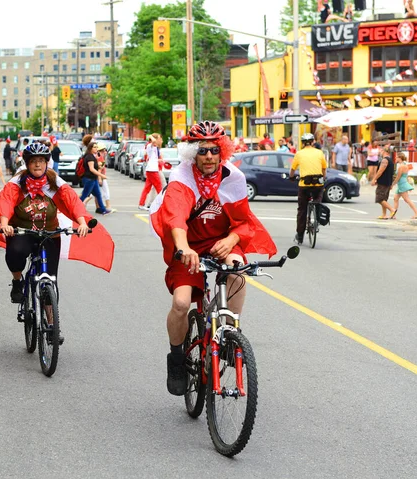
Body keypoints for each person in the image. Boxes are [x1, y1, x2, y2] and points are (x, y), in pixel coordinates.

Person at [149, 120, 277, 395]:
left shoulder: (234, 178)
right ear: (192, 154)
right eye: (202, 150)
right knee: (182, 304)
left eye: (214, 150)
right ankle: (176, 358)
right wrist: (183, 248)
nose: (208, 156)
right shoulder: (181, 178)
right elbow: (175, 219)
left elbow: (243, 223)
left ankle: (230, 332)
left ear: (223, 151)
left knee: (238, 270)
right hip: (188, 247)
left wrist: (231, 240)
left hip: (222, 242)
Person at [0, 142, 115, 342]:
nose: (37, 165)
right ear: (27, 164)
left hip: (49, 232)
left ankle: (52, 325)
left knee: (50, 280)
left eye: (41, 161)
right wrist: (5, 224)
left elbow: (72, 201)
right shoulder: (17, 183)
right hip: (22, 230)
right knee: (15, 253)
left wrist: (81, 223)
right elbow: (5, 202)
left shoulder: (55, 182)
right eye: (33, 161)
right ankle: (18, 282)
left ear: (47, 163)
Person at [289, 133, 327, 245]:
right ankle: (317, 212)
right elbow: (324, 169)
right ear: (313, 142)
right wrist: (323, 179)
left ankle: (300, 236)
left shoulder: (299, 154)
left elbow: (292, 169)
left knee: (302, 210)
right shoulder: (319, 153)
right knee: (318, 200)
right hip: (318, 184)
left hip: (304, 185)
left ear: (303, 143)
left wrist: (291, 177)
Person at [79, 142, 113, 215]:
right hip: (89, 179)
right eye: (94, 147)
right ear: (90, 148)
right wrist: (101, 175)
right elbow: (91, 169)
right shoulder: (89, 157)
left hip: (93, 179)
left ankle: (102, 209)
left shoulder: (92, 156)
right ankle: (75, 207)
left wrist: (98, 164)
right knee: (85, 194)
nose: (96, 149)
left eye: (97, 147)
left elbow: (95, 167)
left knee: (98, 194)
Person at [391, 152, 417, 219]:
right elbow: (405, 176)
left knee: (407, 199)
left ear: (399, 158)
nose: (395, 158)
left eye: (396, 157)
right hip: (402, 184)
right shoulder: (404, 165)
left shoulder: (401, 166)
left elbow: (398, 177)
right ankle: (393, 214)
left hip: (402, 184)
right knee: (395, 199)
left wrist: (392, 185)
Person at [138, 133, 164, 211]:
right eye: (157, 139)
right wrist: (153, 138)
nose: (158, 141)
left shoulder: (154, 147)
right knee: (159, 187)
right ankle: (162, 204)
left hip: (152, 169)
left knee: (147, 188)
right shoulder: (150, 145)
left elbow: (153, 158)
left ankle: (141, 204)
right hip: (152, 170)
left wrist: (159, 160)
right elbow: (151, 139)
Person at [371, 146, 397, 220]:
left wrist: (374, 179)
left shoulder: (385, 160)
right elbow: (392, 173)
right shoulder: (391, 160)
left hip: (383, 182)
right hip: (388, 182)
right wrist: (391, 183)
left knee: (379, 198)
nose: (380, 153)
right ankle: (384, 214)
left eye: (380, 151)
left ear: (384, 151)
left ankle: (392, 210)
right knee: (384, 199)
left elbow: (380, 171)